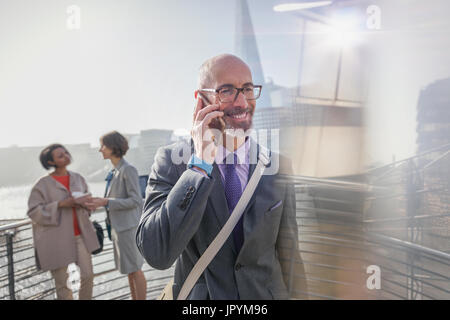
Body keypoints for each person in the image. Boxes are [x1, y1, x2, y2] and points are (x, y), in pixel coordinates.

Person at [136, 54, 308, 300]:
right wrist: (200, 166)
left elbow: (290, 255)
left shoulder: (278, 166)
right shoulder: (173, 162)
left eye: (247, 89)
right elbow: (157, 252)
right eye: (226, 90)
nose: (241, 102)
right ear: (201, 98)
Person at [27, 144, 100, 300]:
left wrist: (86, 204)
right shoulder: (42, 184)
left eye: (66, 152)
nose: (66, 156)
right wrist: (61, 204)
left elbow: (89, 203)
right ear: (51, 162)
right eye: (60, 155)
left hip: (80, 236)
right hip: (56, 240)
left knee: (88, 275)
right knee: (62, 284)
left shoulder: (78, 178)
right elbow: (33, 211)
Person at [86, 131, 147, 300]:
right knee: (129, 270)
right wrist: (99, 203)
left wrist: (106, 202)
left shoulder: (128, 170)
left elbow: (136, 200)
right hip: (119, 228)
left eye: (103, 146)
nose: (100, 150)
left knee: (135, 269)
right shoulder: (114, 171)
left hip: (128, 228)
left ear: (113, 147)